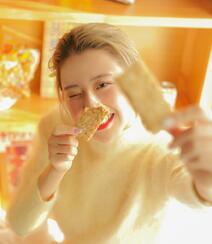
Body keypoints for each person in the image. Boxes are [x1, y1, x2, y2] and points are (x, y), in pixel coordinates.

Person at [6, 23, 212, 244]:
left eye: (103, 84)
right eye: (74, 94)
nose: (90, 104)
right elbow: (20, 224)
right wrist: (55, 170)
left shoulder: (160, 143)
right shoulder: (55, 126)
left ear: (133, 82)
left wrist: (207, 177)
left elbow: (196, 193)